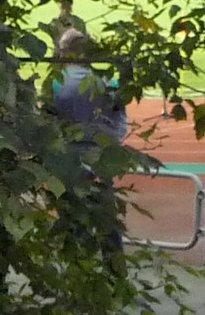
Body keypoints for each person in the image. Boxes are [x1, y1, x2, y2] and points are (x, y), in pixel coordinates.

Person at [50, 28, 128, 260]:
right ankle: (115, 279)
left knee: (73, 222)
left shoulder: (54, 83)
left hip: (68, 159)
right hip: (99, 157)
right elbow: (119, 123)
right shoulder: (107, 81)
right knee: (107, 222)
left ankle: (77, 278)